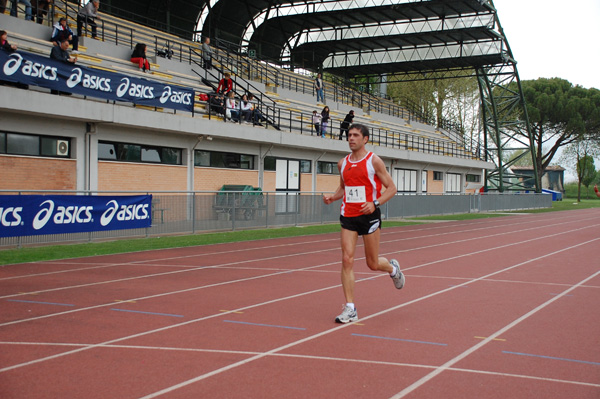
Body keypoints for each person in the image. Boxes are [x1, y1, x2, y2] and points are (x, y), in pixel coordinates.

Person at [323, 124, 405, 324]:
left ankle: (393, 269)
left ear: (365, 139)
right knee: (346, 259)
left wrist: (375, 203)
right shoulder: (342, 164)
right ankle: (350, 308)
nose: (351, 138)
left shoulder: (373, 161)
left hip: (369, 216)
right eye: (349, 135)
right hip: (348, 216)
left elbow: (392, 188)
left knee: (372, 263)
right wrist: (333, 197)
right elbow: (344, 188)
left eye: (356, 135)